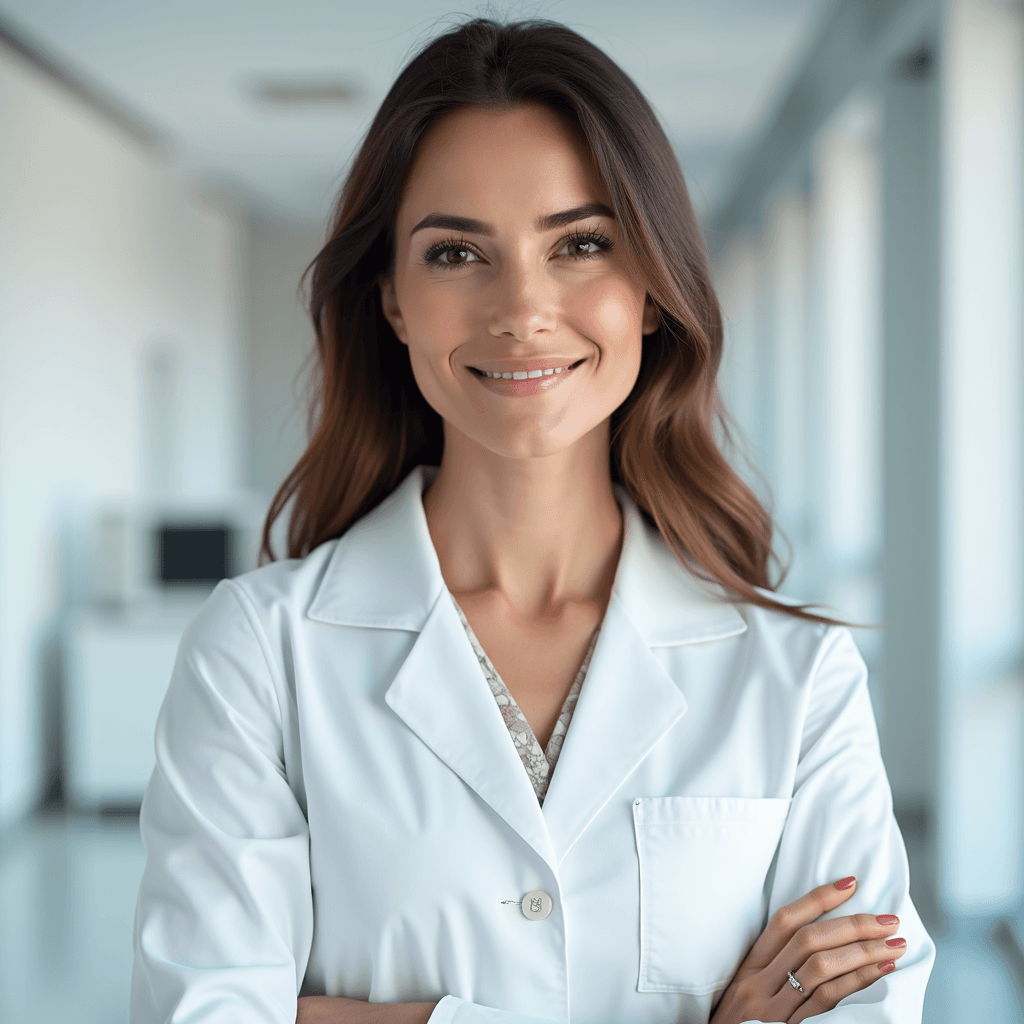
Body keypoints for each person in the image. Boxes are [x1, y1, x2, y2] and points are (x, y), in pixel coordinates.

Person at [130, 17, 935, 1024]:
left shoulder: (796, 676)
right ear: (390, 300)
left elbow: (870, 1001)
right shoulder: (257, 653)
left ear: (649, 289)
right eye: (457, 251)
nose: (521, 307)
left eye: (580, 245)